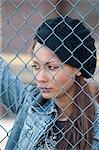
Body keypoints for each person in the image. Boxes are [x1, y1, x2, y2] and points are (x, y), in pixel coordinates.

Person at [0, 16, 99, 150]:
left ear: (78, 68)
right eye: (35, 66)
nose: (41, 78)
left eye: (51, 67)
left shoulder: (95, 125)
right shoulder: (31, 101)